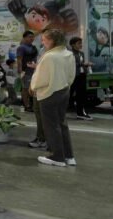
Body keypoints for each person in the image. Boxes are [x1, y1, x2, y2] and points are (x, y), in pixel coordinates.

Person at [31, 29, 76, 167]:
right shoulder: (68, 54)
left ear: (52, 41)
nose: (42, 42)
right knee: (62, 124)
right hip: (64, 91)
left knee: (51, 126)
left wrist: (33, 86)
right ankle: (69, 156)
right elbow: (71, 75)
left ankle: (57, 157)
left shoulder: (49, 56)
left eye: (44, 39)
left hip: (49, 93)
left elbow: (40, 78)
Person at [68, 37, 93, 120]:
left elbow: (81, 64)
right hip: (73, 76)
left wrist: (86, 67)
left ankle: (81, 113)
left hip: (81, 75)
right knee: (68, 94)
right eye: (78, 43)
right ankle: (60, 112)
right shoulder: (69, 54)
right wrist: (82, 64)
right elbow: (71, 64)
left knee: (81, 95)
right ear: (72, 45)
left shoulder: (81, 53)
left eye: (81, 43)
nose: (81, 45)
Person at [17, 31, 38, 111]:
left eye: (33, 37)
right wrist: (20, 71)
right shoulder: (21, 48)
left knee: (32, 88)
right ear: (24, 38)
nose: (32, 38)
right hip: (25, 71)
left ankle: (31, 104)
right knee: (25, 88)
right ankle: (26, 105)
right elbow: (19, 60)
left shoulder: (34, 47)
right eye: (30, 37)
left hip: (34, 71)